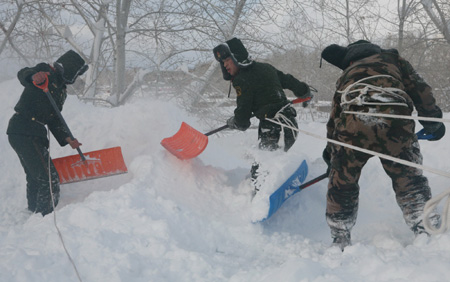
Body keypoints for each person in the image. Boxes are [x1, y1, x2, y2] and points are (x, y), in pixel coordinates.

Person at [320, 40, 445, 250]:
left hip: (352, 125)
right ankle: (425, 228)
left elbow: (335, 116)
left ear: (349, 59)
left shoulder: (347, 74)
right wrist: (432, 122)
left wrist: (332, 155)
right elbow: (420, 89)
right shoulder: (393, 60)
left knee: (343, 183)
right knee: (409, 178)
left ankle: (340, 236)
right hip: (395, 123)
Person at [213, 38, 312, 185]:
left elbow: (242, 117)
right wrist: (305, 92)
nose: (225, 64)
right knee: (267, 163)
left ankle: (263, 197)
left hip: (274, 129)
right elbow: (288, 80)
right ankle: (272, 185)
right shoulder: (265, 67)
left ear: (237, 57)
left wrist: (235, 121)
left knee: (262, 171)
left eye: (227, 60)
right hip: (289, 125)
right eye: (223, 62)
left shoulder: (242, 79)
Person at [7, 50, 88, 216]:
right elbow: (23, 74)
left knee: (35, 176)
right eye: (76, 73)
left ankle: (33, 212)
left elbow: (54, 119)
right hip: (23, 128)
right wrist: (33, 76)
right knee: (49, 179)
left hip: (32, 132)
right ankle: (45, 217)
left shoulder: (61, 92)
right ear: (70, 70)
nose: (76, 78)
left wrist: (67, 138)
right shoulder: (45, 72)